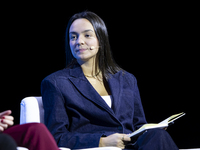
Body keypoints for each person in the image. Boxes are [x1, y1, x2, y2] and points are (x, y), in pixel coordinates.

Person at [41, 11, 179, 150]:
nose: (79, 41)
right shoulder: (56, 82)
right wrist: (102, 141)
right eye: (73, 37)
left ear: (101, 39)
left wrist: (151, 130)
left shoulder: (127, 79)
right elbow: (56, 136)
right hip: (98, 148)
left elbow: (138, 125)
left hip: (132, 146)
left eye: (87, 35)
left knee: (158, 136)